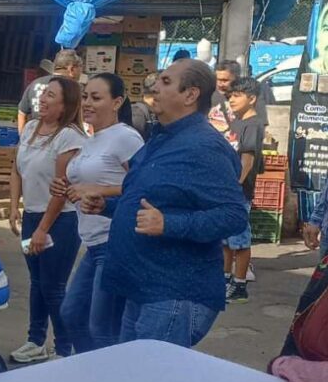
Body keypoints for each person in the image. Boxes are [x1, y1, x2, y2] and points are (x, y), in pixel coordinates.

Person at [83, 59, 249, 347]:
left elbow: (233, 215)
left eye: (166, 82)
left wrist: (169, 224)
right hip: (143, 286)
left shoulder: (204, 146)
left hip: (173, 294)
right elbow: (154, 200)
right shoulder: (161, 138)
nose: (155, 87)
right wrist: (109, 207)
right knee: (134, 381)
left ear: (190, 95)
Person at [54, 74, 143, 353]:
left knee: (102, 327)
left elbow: (143, 189)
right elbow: (89, 183)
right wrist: (66, 186)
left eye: (96, 97)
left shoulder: (126, 138)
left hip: (114, 243)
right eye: (85, 97)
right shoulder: (91, 139)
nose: (87, 103)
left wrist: (99, 191)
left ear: (117, 102)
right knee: (71, 314)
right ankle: (89, 374)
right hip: (93, 245)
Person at [9, 77, 86, 362]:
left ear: (65, 105)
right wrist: (15, 206)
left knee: (54, 287)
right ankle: (35, 340)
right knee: (37, 282)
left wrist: (43, 229)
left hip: (60, 222)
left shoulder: (71, 137)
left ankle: (65, 348)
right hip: (31, 217)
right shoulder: (30, 127)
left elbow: (61, 188)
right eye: (43, 93)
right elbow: (17, 169)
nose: (42, 99)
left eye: (50, 95)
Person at [223, 77, 265, 304]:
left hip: (238, 192)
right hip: (228, 190)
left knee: (239, 239)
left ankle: (239, 285)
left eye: (237, 96)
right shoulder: (236, 123)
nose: (232, 100)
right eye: (231, 96)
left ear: (252, 98)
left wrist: (236, 185)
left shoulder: (253, 124)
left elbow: (247, 161)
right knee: (226, 240)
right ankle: (225, 278)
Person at [17, 49, 83, 134]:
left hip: (35, 137)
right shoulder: (73, 88)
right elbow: (82, 117)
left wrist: (22, 137)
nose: (81, 72)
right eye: (80, 67)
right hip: (61, 138)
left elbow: (21, 112)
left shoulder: (35, 83)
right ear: (72, 69)